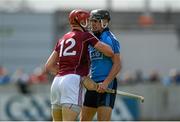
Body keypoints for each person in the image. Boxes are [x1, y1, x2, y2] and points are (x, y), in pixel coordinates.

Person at [45, 9, 114, 121]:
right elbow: (109, 52)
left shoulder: (63, 38)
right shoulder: (86, 35)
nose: (89, 23)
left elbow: (48, 66)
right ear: (82, 22)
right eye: (87, 20)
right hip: (72, 81)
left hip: (57, 82)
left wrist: (65, 70)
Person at [80, 9, 121, 121]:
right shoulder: (92, 40)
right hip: (93, 85)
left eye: (96, 21)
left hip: (107, 84)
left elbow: (117, 65)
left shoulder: (109, 38)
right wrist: (86, 78)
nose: (92, 23)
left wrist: (106, 83)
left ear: (104, 22)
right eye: (91, 21)